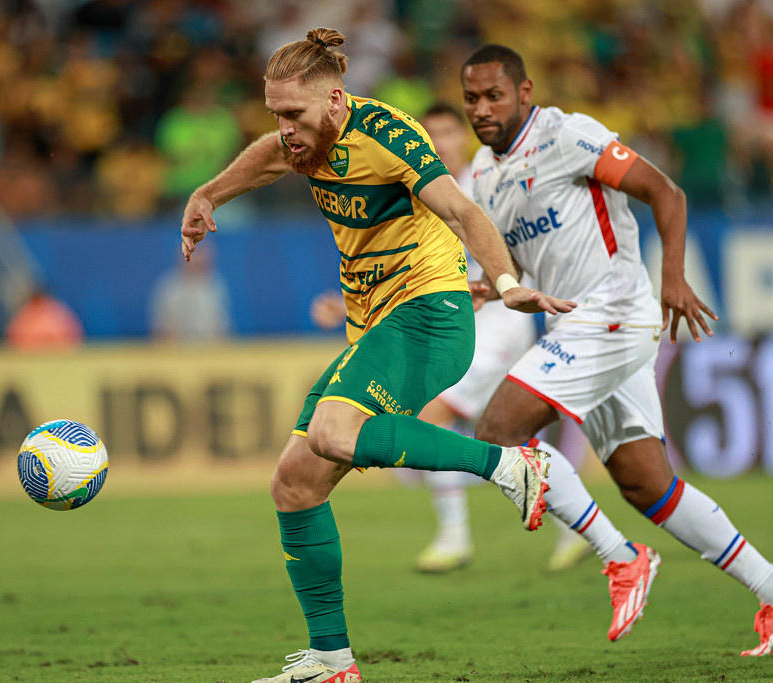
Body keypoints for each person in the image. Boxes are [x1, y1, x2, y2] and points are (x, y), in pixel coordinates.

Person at [181, 28, 576, 683]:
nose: (285, 129)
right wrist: (208, 194)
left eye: (295, 115)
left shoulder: (389, 136)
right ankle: (332, 662)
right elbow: (266, 157)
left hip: (431, 312)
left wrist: (506, 285)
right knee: (294, 483)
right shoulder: (299, 142)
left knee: (336, 432)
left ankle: (508, 466)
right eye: (275, 114)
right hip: (375, 327)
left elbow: (465, 212)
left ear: (336, 101)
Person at [460, 44, 773, 656]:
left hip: (613, 313)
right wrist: (491, 286)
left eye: (495, 95)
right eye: (472, 98)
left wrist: (672, 276)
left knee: (497, 435)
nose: (482, 108)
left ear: (524, 92)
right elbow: (524, 257)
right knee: (645, 484)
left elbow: (666, 192)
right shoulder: (484, 172)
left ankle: (621, 556)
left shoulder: (568, 135)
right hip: (575, 325)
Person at [311, 101, 592, 575]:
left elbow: (517, 256)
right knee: (510, 434)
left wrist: (503, 288)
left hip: (494, 322)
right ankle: (582, 530)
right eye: (431, 133)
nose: (440, 142)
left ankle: (455, 536)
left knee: (432, 414)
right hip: (451, 318)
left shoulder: (484, 186)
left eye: (448, 132)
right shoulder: (411, 190)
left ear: (464, 138)